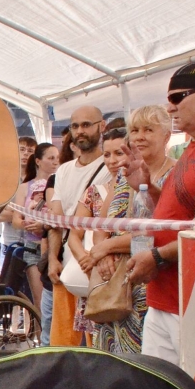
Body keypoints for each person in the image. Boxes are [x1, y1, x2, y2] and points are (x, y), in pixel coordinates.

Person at [128, 62, 195, 364]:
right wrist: (148, 188)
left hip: (193, 300)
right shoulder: (191, 146)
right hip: (163, 296)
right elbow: (185, 213)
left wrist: (158, 256)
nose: (170, 108)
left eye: (177, 97)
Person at [81, 105, 175, 354]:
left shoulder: (175, 175)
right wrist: (104, 254)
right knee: (110, 361)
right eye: (135, 130)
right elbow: (101, 223)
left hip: (148, 282)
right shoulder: (123, 175)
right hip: (112, 283)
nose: (139, 136)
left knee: (144, 362)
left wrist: (106, 247)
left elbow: (159, 233)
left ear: (166, 135)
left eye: (148, 129)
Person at [47, 106, 107, 345]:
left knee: (97, 343)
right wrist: (53, 257)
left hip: (96, 267)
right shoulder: (63, 170)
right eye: (75, 126)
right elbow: (56, 221)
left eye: (86, 125)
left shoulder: (110, 166)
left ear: (101, 126)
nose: (80, 131)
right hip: (67, 267)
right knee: (62, 343)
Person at [68, 127, 127, 347]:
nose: (112, 160)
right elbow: (75, 234)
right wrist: (87, 258)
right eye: (107, 154)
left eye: (119, 153)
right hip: (97, 274)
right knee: (98, 340)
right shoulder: (94, 192)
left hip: (127, 271)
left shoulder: (138, 187)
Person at [10, 142, 58, 321]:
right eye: (50, 158)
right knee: (40, 303)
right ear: (38, 161)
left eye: (57, 159)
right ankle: (41, 343)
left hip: (54, 247)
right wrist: (30, 225)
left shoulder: (59, 184)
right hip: (32, 247)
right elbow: (16, 220)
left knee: (55, 304)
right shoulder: (25, 187)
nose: (55, 162)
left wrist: (44, 225)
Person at [0, 136, 37, 272]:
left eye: (30, 150)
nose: (26, 153)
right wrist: (27, 214)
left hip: (34, 245)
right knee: (9, 288)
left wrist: (15, 214)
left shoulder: (39, 181)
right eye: (22, 149)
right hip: (10, 243)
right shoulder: (6, 181)